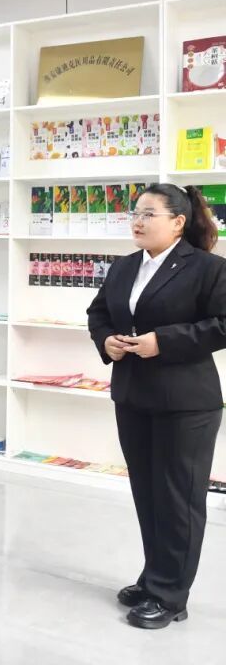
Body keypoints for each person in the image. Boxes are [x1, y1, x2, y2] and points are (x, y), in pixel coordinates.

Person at [87, 183, 226, 630]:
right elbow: (98, 313)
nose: (138, 221)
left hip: (186, 403)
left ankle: (170, 596)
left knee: (179, 500)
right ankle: (154, 579)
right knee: (148, 495)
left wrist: (161, 342)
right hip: (133, 395)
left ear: (178, 222)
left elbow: (223, 324)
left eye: (149, 213)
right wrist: (106, 341)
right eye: (135, 212)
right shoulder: (125, 266)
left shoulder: (208, 268)